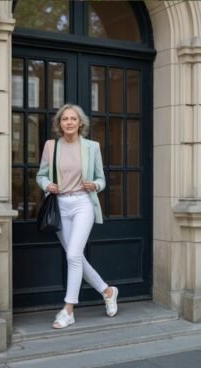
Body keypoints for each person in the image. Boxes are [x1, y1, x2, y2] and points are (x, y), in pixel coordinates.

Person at [36, 103, 118, 329]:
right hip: (60, 205)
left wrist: (96, 185)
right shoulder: (51, 146)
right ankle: (107, 291)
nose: (69, 122)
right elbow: (41, 175)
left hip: (83, 203)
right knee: (76, 257)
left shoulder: (92, 147)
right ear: (59, 123)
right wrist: (47, 184)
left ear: (80, 123)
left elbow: (101, 178)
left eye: (73, 118)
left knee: (73, 254)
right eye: (65, 119)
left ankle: (68, 310)